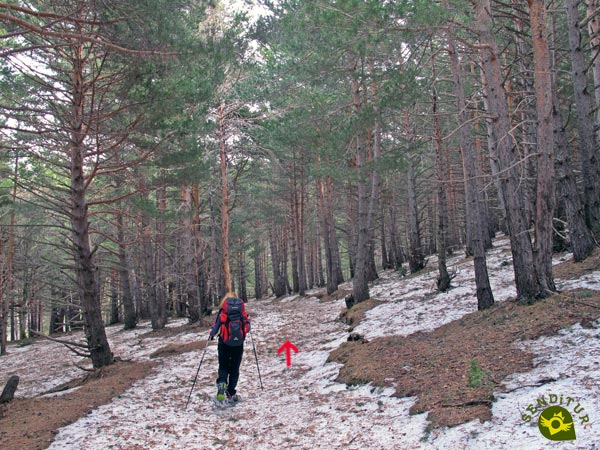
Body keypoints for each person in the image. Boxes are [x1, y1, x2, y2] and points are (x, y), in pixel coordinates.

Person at [209, 292, 250, 402]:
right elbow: (247, 326)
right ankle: (231, 393)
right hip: (238, 344)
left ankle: (222, 383)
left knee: (223, 365)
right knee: (235, 368)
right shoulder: (241, 311)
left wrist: (211, 335)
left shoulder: (223, 311)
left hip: (224, 343)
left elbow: (216, 325)